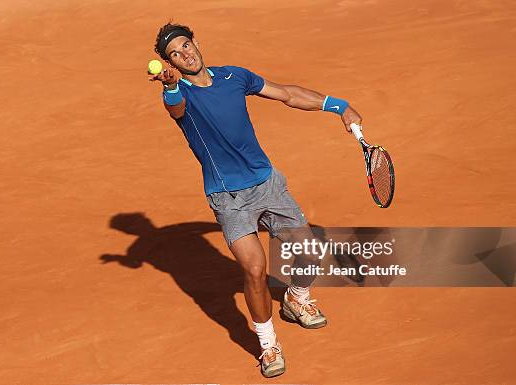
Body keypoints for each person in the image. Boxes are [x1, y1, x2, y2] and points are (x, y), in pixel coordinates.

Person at [148, 22, 362, 378]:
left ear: (196, 43)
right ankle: (268, 345)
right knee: (255, 270)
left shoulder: (235, 76)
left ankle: (295, 298)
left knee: (309, 251)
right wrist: (170, 86)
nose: (185, 55)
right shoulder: (180, 93)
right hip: (229, 198)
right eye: (174, 55)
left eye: (186, 46)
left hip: (268, 184)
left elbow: (287, 94)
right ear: (170, 63)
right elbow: (175, 108)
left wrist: (340, 106)